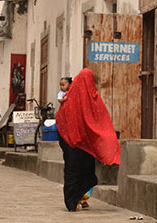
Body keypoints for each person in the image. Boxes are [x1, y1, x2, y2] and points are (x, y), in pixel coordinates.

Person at [55, 69, 120, 212]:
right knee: (78, 172)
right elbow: (101, 122)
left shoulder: (79, 99)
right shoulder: (85, 99)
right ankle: (72, 202)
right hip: (79, 144)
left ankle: (76, 200)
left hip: (75, 144)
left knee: (79, 172)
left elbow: (60, 120)